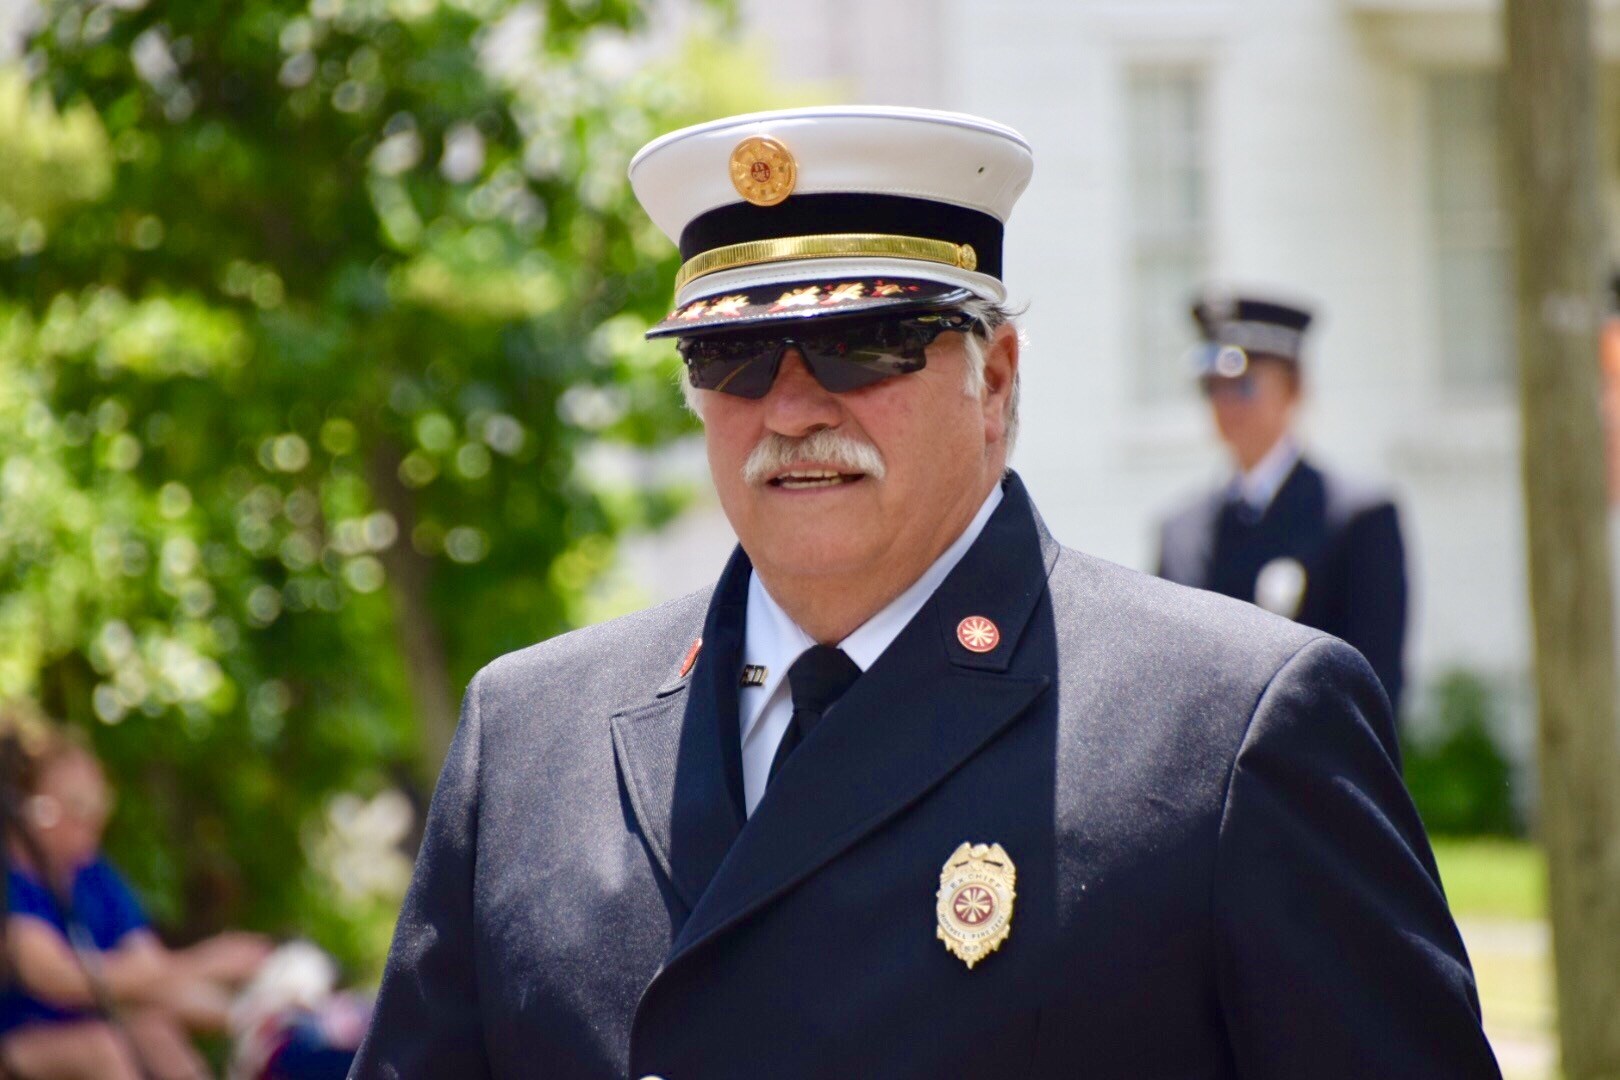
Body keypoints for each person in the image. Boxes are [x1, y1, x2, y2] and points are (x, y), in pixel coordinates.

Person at [352, 107, 1497, 1078]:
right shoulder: (530, 736)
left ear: (993, 376)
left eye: (863, 343)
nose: (793, 409)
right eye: (733, 358)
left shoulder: (1228, 731)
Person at [1156, 294, 1410, 722]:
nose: (1225, 402)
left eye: (1244, 384)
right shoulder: (1182, 531)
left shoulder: (1356, 517)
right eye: (1211, 386)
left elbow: (1375, 690)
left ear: (1294, 389)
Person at [0, 713, 271, 1080]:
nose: (94, 818)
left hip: (83, 1028)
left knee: (153, 1029)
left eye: (100, 803)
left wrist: (253, 1014)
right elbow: (60, 978)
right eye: (78, 805)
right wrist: (205, 962)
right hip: (17, 1043)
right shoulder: (11, 882)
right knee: (101, 1048)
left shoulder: (95, 874)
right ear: (32, 808)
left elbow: (150, 971)